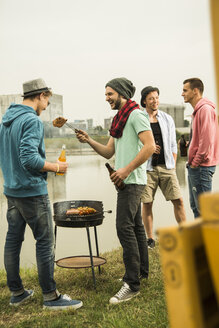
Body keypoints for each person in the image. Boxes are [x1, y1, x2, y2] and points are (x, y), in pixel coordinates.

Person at [0, 78, 83, 310]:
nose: (47, 106)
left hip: (12, 190)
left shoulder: (6, 121)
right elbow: (29, 158)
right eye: (47, 100)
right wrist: (57, 167)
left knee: (13, 241)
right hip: (32, 192)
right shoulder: (31, 121)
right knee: (45, 242)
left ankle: (17, 293)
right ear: (40, 96)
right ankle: (51, 297)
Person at [76, 77, 155, 304]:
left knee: (123, 227)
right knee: (136, 226)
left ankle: (132, 284)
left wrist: (125, 170)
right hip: (126, 180)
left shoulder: (136, 115)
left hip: (133, 180)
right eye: (105, 94)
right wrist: (89, 140)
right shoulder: (119, 119)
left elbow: (150, 146)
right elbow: (109, 152)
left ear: (122, 94)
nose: (107, 98)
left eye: (110, 94)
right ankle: (141, 272)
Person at [140, 86, 186, 248]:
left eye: (157, 97)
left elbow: (173, 144)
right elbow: (137, 145)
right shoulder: (139, 118)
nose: (155, 101)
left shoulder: (167, 119)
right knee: (147, 203)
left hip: (166, 167)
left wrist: (172, 164)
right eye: (151, 98)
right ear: (144, 100)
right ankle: (150, 239)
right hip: (147, 169)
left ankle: (184, 234)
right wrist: (149, 150)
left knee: (179, 200)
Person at [182, 78, 219, 218]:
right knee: (196, 208)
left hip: (201, 167)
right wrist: (190, 146)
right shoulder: (198, 111)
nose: (182, 94)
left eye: (185, 90)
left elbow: (207, 140)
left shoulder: (205, 110)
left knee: (204, 211)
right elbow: (202, 138)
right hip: (196, 166)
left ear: (195, 91)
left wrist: (196, 162)